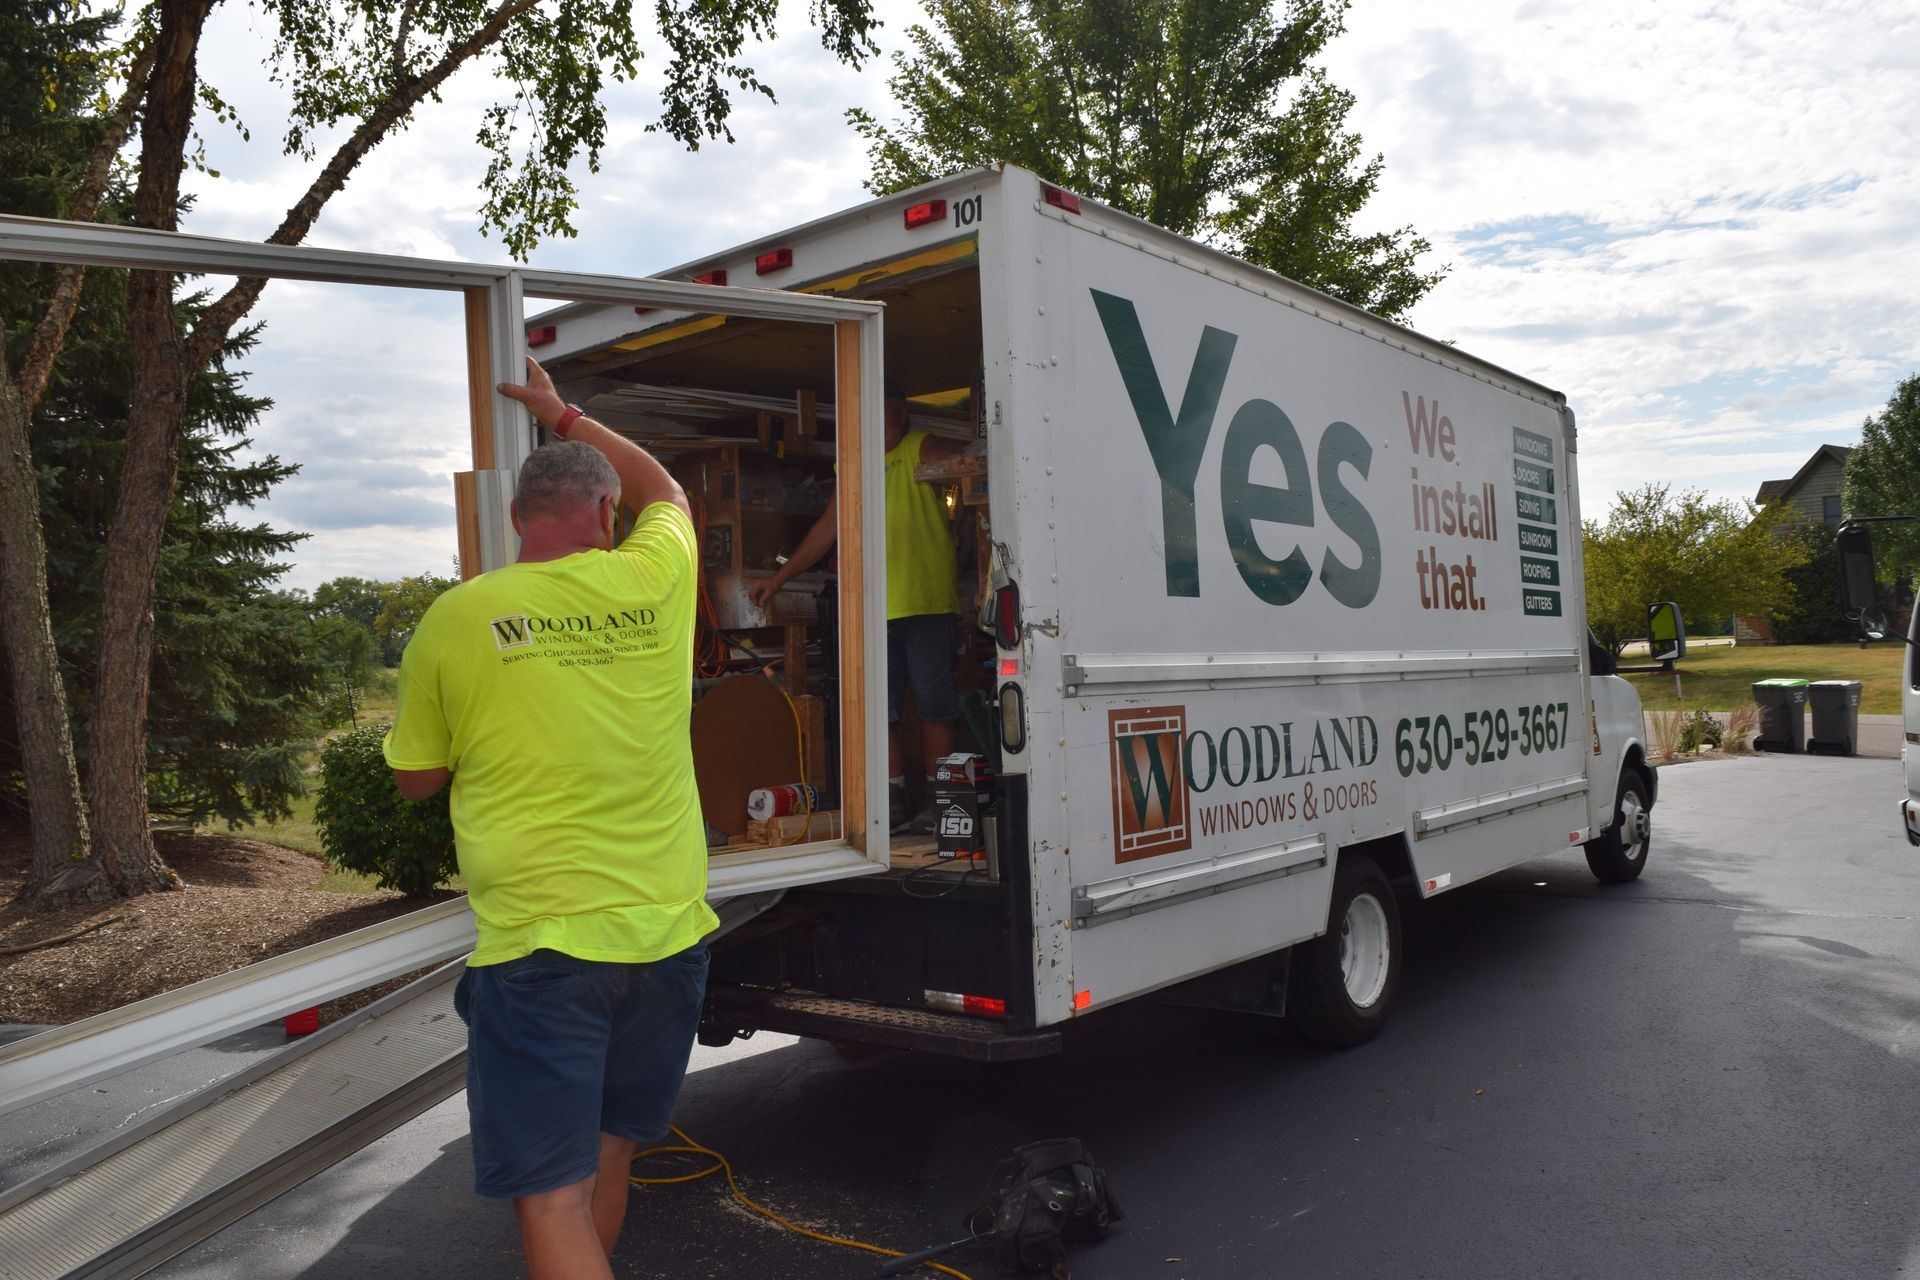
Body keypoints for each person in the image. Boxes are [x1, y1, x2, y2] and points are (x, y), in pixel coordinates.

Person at [385, 356, 716, 1280]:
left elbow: (416, 779)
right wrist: (563, 413)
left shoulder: (461, 614)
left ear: (519, 520)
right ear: (605, 516)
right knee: (609, 1156)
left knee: (551, 1192)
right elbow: (671, 493)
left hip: (545, 947)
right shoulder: (654, 581)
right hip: (666, 933)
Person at [747, 379, 965, 831]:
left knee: (934, 708)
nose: (876, 423)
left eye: (884, 412)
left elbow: (947, 462)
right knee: (879, 711)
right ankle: (895, 802)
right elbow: (828, 527)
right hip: (873, 611)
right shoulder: (855, 469)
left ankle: (943, 806)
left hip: (926, 606)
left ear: (901, 415)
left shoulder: (917, 446)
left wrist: (962, 462)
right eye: (867, 414)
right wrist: (779, 580)